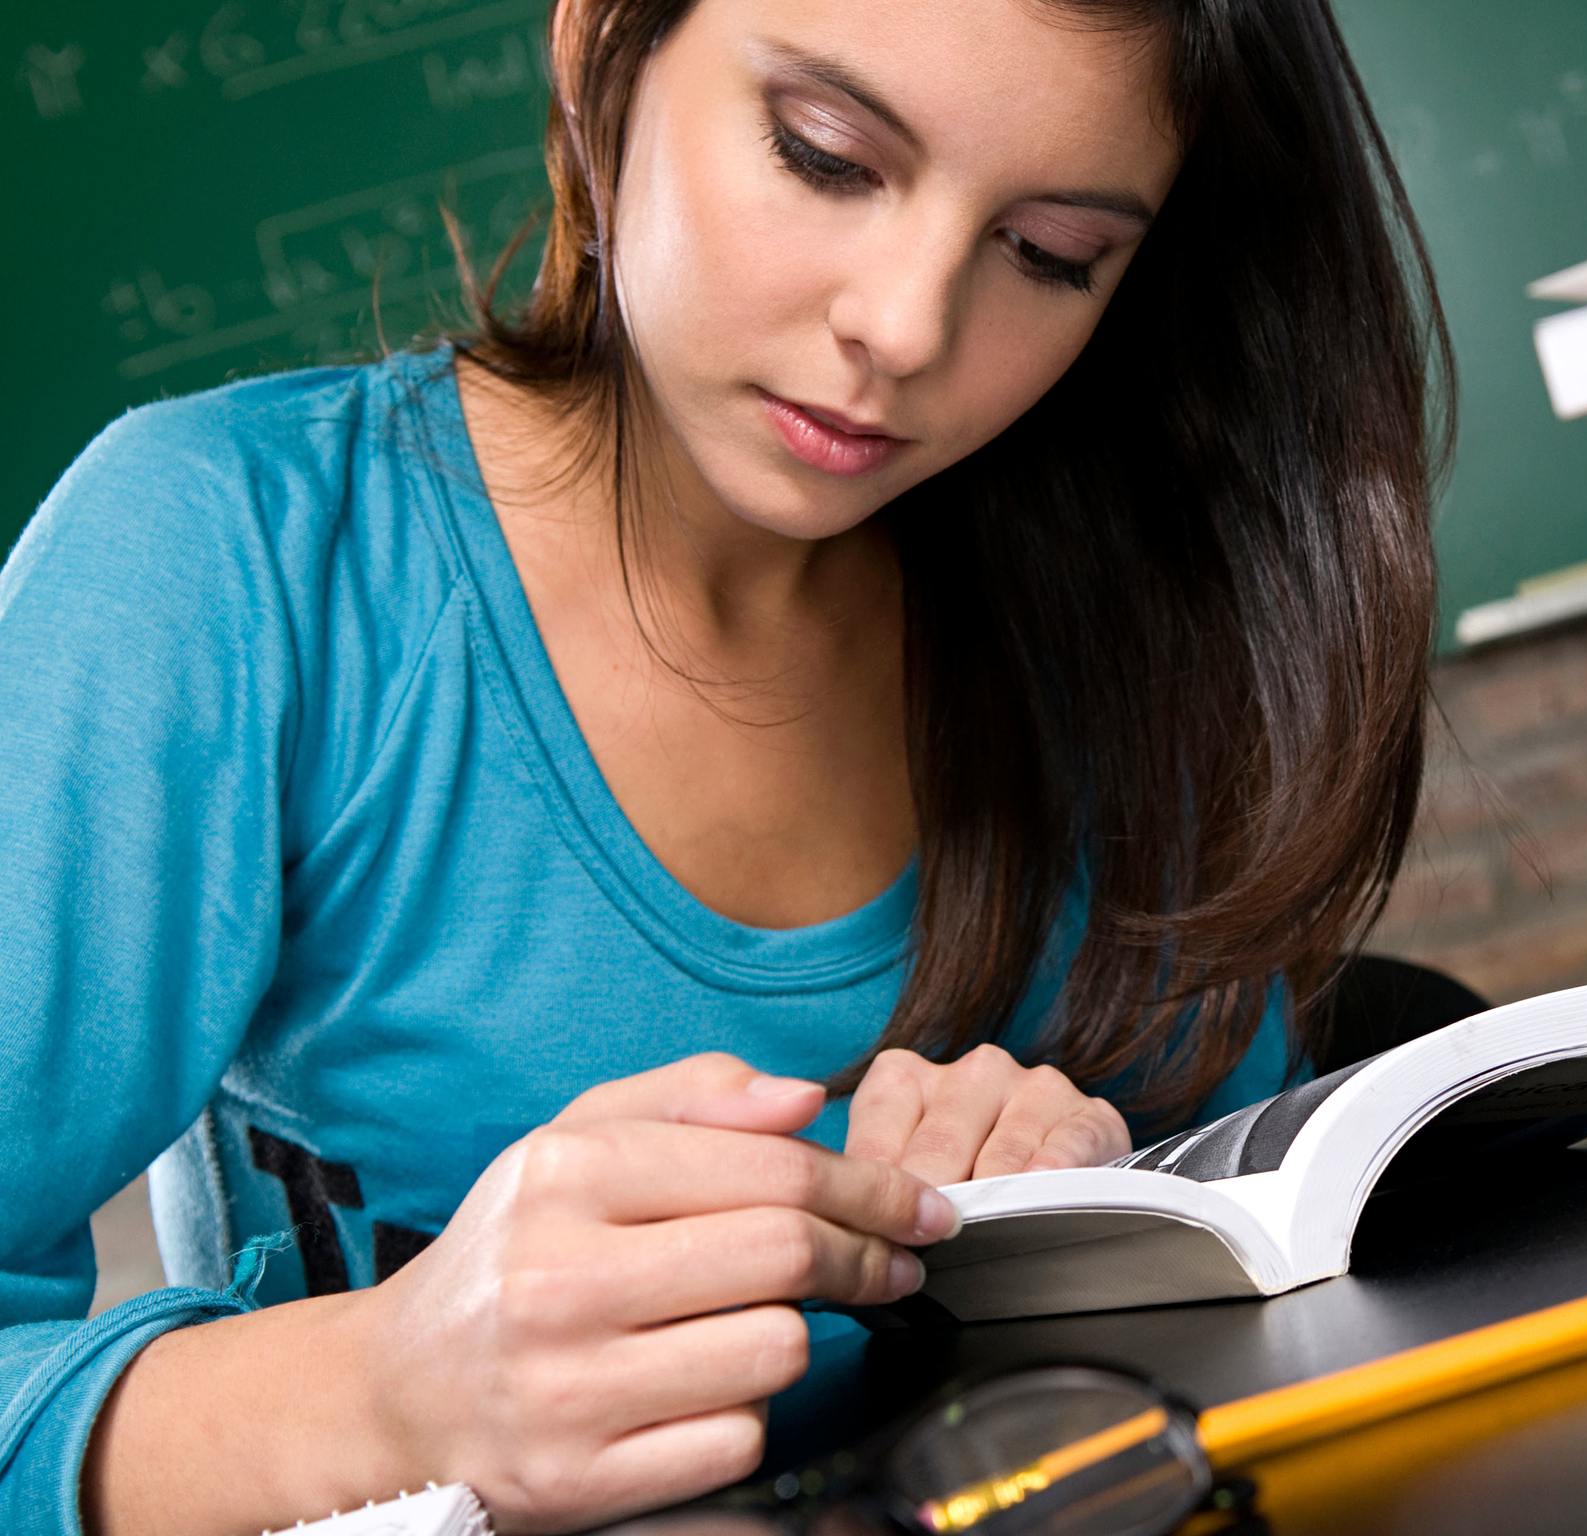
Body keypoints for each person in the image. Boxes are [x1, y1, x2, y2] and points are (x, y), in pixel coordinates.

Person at [0, 0, 1452, 1528]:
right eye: (825, 157)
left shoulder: (1125, 638)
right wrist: (381, 1393)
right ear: (600, 52)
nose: (905, 325)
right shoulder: (226, 566)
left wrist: (1098, 1220)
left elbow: (1274, 1350)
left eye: (1048, 254)